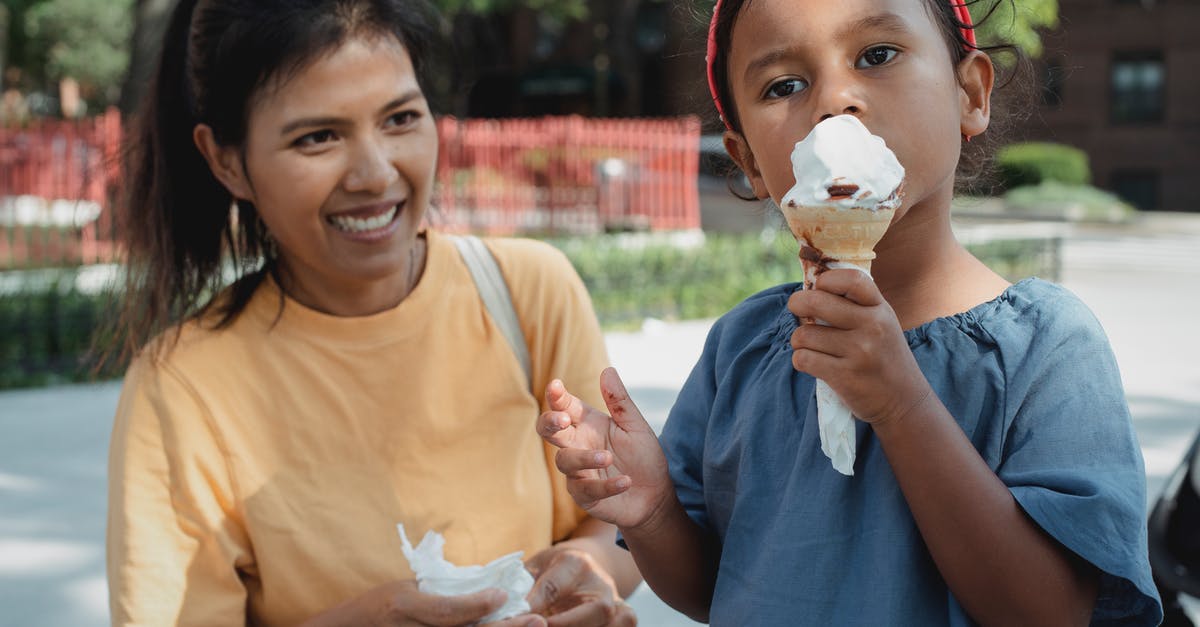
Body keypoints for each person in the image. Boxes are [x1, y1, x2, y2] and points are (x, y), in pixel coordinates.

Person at [537, 0, 1163, 625]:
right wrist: (652, 512)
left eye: (877, 55)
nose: (835, 100)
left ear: (968, 93)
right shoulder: (742, 349)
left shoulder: (1044, 348)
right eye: (784, 85)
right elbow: (709, 587)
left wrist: (901, 405)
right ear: (751, 160)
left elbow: (1052, 612)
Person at [105, 0, 639, 625]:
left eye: (400, 118)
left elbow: (618, 526)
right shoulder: (182, 389)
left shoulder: (530, 293)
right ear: (226, 160)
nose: (375, 172)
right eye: (317, 137)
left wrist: (590, 569)